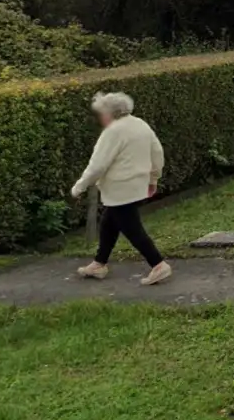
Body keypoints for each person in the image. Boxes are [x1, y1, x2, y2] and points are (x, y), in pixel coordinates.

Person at [71, 91, 171, 285]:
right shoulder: (140, 124)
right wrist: (153, 179)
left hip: (119, 188)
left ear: (109, 113)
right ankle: (99, 263)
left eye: (101, 113)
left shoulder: (113, 132)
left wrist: (79, 187)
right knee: (109, 222)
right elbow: (157, 153)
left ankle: (158, 264)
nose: (100, 118)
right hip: (137, 185)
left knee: (132, 228)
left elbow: (98, 165)